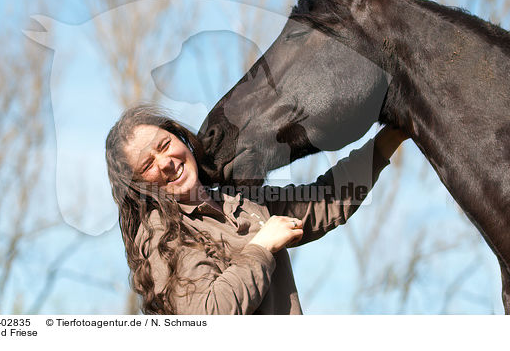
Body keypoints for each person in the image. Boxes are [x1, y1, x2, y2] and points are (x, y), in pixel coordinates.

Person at [105, 104, 407, 314]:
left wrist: (390, 137)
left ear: (180, 138)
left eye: (164, 145)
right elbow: (206, 314)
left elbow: (325, 201)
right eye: (148, 165)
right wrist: (261, 247)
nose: (166, 163)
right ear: (138, 185)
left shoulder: (238, 201)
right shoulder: (162, 236)